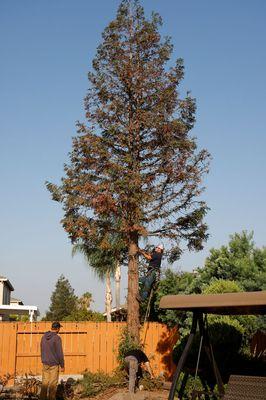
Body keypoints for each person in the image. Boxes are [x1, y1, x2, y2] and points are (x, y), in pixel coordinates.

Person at [40, 322, 65, 400]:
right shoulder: (57, 338)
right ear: (57, 328)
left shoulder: (43, 337)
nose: (59, 330)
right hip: (54, 364)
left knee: (44, 383)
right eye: (59, 328)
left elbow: (41, 349)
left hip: (45, 363)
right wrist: (62, 365)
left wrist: (43, 359)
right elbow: (59, 353)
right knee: (53, 384)